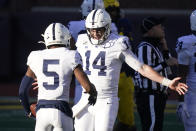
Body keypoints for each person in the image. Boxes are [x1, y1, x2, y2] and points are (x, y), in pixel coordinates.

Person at [73, 9, 188, 131]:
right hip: (85, 98)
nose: (95, 33)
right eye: (92, 30)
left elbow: (142, 68)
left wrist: (168, 82)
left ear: (107, 26)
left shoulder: (118, 43)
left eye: (99, 29)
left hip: (106, 100)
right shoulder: (82, 40)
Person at [18, 23, 97, 131]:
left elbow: (22, 91)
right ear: (66, 38)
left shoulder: (35, 56)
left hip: (42, 113)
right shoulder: (71, 55)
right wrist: (93, 93)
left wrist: (28, 111)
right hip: (61, 111)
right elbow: (87, 87)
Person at [67, 0, 118, 105]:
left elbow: (69, 49)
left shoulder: (73, 25)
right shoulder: (111, 26)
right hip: (104, 73)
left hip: (82, 70)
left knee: (81, 110)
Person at [133, 16, 179, 131]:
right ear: (150, 30)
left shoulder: (155, 47)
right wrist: (165, 63)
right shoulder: (145, 47)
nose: (162, 28)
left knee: (156, 127)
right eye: (158, 26)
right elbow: (144, 71)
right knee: (151, 127)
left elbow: (168, 69)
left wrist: (165, 48)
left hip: (157, 95)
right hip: (149, 95)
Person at [104, 0, 136, 130]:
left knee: (127, 120)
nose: (112, 13)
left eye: (114, 10)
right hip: (103, 77)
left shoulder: (123, 24)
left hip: (122, 74)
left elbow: (129, 50)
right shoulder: (93, 27)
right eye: (109, 10)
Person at [176, 10, 196, 131]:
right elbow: (182, 74)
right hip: (192, 95)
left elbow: (182, 74)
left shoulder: (187, 42)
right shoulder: (187, 43)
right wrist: (181, 101)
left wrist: (181, 101)